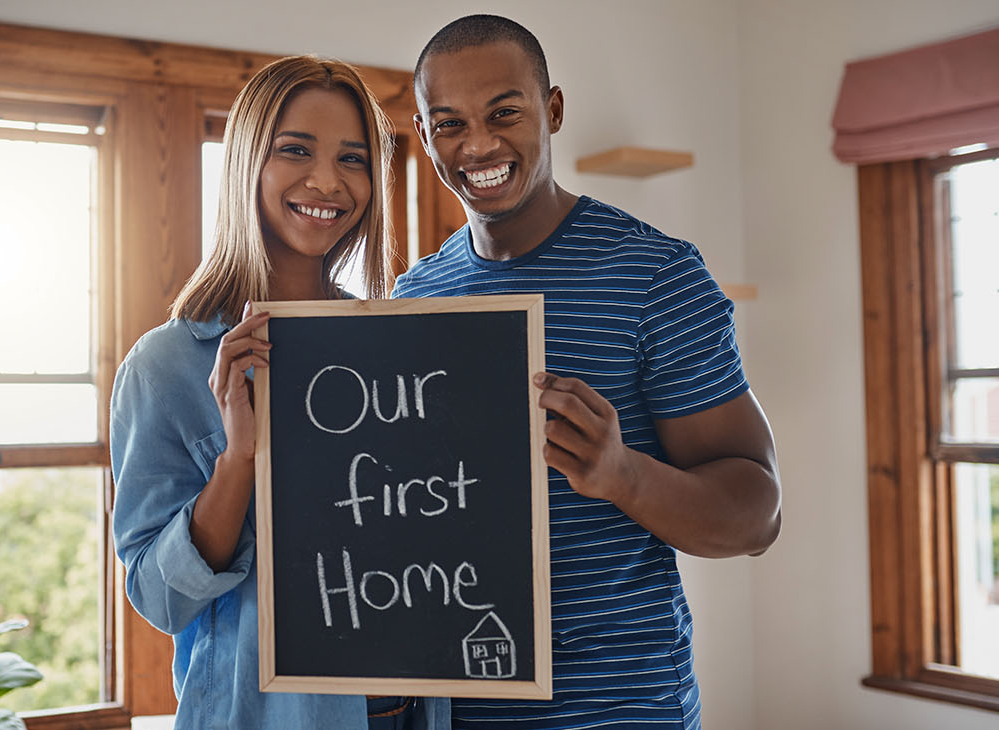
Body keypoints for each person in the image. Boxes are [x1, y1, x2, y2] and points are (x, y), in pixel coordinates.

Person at [394, 14, 782, 730]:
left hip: (623, 710)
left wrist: (623, 474)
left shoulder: (655, 276)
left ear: (553, 110)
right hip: (458, 712)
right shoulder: (414, 298)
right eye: (448, 124)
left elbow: (759, 514)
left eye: (504, 113)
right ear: (423, 138)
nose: (477, 144)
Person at [110, 55, 450, 729]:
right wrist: (240, 459)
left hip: (418, 710)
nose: (327, 181)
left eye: (354, 159)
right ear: (246, 165)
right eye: (295, 149)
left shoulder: (396, 348)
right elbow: (157, 597)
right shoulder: (167, 365)